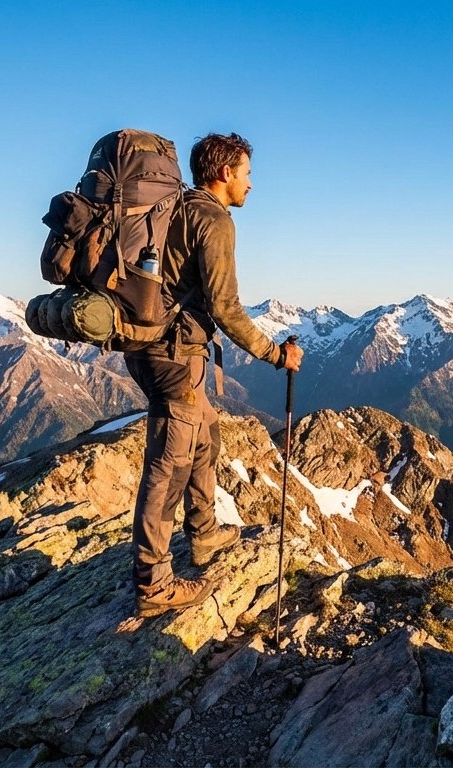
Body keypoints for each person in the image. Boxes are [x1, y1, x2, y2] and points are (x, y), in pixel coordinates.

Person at [124, 132, 303, 618]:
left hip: (153, 347)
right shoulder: (213, 220)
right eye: (247, 172)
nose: (251, 183)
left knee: (206, 435)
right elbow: (225, 305)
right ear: (224, 173)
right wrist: (274, 353)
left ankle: (203, 535)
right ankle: (153, 583)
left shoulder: (177, 208)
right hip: (175, 356)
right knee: (169, 466)